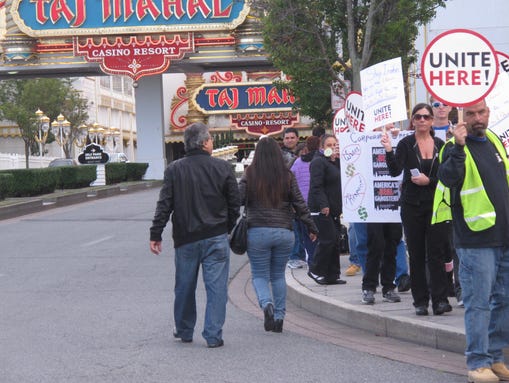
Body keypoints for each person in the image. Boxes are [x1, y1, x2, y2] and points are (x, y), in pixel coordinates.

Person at [434, 99, 509, 383]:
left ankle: (495, 357)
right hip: (475, 240)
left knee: (504, 300)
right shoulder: (452, 148)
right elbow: (449, 178)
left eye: (482, 112)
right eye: (471, 114)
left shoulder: (492, 139)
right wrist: (459, 148)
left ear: (489, 112)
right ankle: (477, 362)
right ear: (460, 117)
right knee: (479, 303)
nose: (478, 118)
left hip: (503, 236)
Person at [149, 122, 240, 348]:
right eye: (210, 139)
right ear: (204, 143)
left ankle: (184, 329)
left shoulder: (174, 169)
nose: (211, 142)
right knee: (217, 287)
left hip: (186, 237)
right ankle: (213, 335)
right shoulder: (223, 168)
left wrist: (156, 233)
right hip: (216, 235)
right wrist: (226, 226)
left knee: (184, 286)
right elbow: (234, 204)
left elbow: (164, 205)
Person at [239, 137, 317, 333]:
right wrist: (311, 227)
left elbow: (238, 199)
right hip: (284, 231)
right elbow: (299, 203)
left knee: (259, 275)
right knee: (278, 276)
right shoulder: (287, 175)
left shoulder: (250, 173)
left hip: (257, 231)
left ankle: (267, 305)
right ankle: (280, 317)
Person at [381, 103, 452, 316]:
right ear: (412, 121)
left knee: (437, 254)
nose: (422, 120)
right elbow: (394, 171)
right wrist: (387, 149)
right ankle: (420, 301)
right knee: (418, 254)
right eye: (418, 117)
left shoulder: (441, 144)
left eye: (426, 117)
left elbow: (447, 176)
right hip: (412, 206)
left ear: (431, 121)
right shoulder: (405, 143)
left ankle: (440, 300)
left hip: (436, 205)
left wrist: (428, 180)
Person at [431, 97, 463, 307]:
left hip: (461, 202)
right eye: (436, 104)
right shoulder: (420, 131)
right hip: (436, 202)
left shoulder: (458, 132)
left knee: (457, 249)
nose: (441, 107)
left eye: (444, 104)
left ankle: (459, 289)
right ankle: (446, 289)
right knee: (441, 249)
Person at [307, 134, 346, 285]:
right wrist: (324, 205)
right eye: (329, 145)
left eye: (334, 144)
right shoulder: (318, 162)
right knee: (327, 239)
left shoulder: (336, 162)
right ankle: (315, 270)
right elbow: (317, 186)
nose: (333, 147)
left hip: (334, 209)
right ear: (322, 148)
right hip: (321, 209)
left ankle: (332, 274)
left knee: (335, 240)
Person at [290, 136, 321, 267]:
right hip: (320, 202)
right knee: (321, 234)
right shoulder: (321, 161)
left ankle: (312, 261)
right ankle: (319, 261)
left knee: (306, 235)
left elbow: (290, 182)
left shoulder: (297, 163)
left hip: (302, 205)